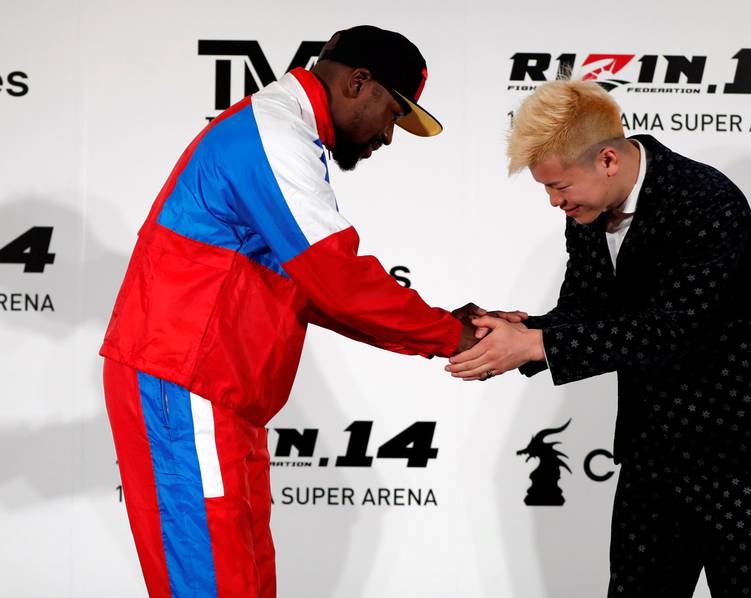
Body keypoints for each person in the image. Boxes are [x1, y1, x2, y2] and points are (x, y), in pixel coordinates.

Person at [101, 25, 479, 598]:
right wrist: (453, 335)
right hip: (185, 380)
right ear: (359, 83)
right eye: (394, 114)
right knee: (213, 586)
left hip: (218, 391)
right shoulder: (273, 132)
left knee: (246, 582)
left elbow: (313, 291)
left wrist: (447, 330)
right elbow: (338, 279)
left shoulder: (285, 133)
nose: (388, 136)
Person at [447, 80, 751, 597]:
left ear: (608, 160)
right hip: (653, 456)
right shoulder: (588, 212)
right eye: (545, 189)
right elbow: (589, 309)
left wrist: (538, 346)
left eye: (559, 187)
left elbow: (674, 329)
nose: (553, 202)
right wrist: (523, 330)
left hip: (743, 454)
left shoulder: (707, 200)